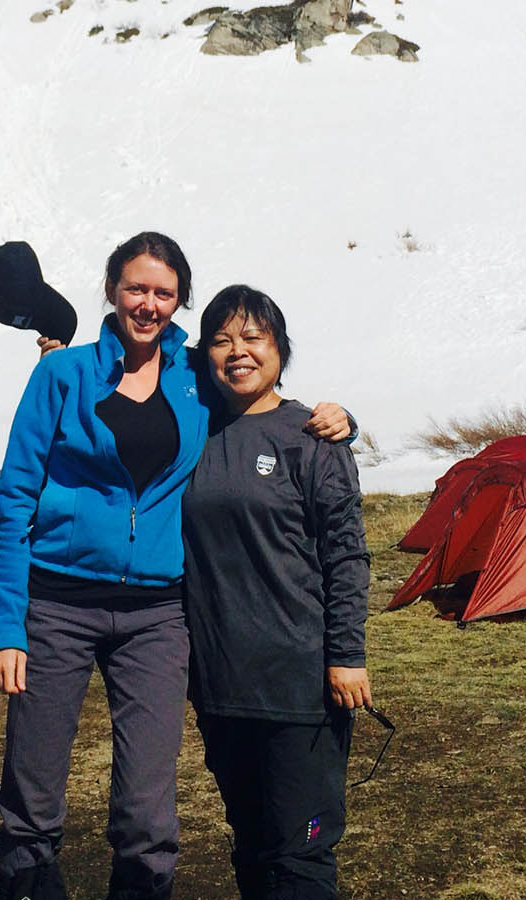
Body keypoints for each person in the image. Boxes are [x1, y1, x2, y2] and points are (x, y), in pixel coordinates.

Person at [0, 232, 350, 900]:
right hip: (58, 605)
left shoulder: (195, 380)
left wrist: (338, 418)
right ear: (112, 291)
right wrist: (7, 625)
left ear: (179, 300)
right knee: (33, 798)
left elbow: (258, 398)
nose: (148, 305)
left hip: (156, 614)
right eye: (136, 289)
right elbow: (14, 500)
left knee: (148, 810)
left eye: (163, 292)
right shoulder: (61, 376)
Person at [182, 285, 372, 900]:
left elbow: (346, 555)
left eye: (253, 337)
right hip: (220, 684)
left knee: (302, 849)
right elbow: (133, 356)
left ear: (280, 350)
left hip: (300, 683)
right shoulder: (192, 432)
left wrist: (347, 654)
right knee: (252, 838)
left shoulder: (311, 438)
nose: (237, 352)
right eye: (221, 340)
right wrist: (52, 349)